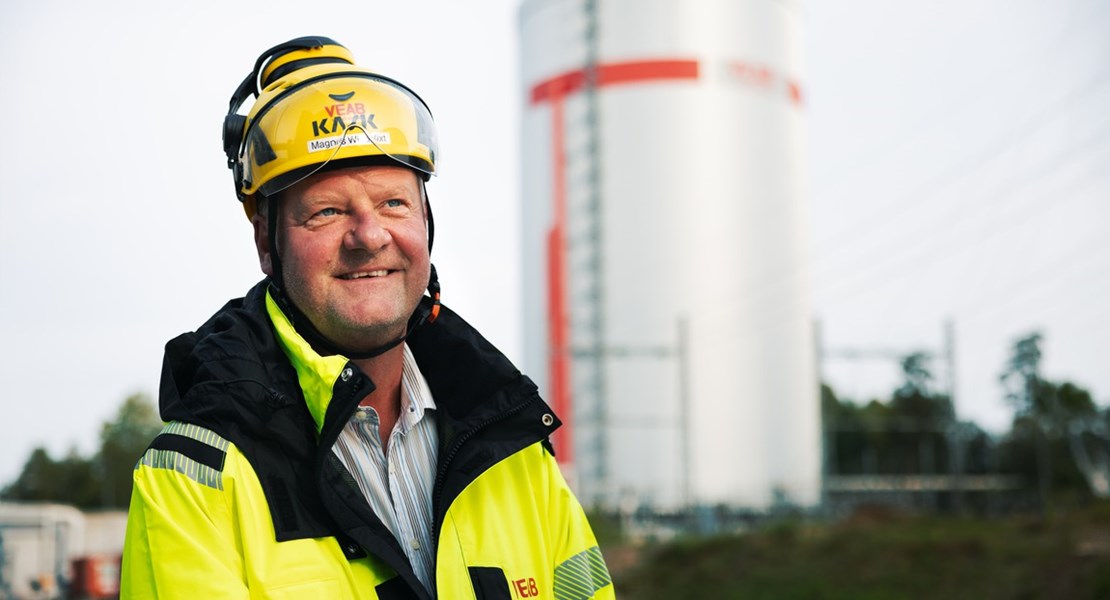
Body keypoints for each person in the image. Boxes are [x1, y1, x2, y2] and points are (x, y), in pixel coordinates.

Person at [121, 36, 614, 599]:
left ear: (425, 222)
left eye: (393, 203)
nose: (369, 236)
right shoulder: (195, 480)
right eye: (327, 212)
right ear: (266, 243)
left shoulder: (514, 448)